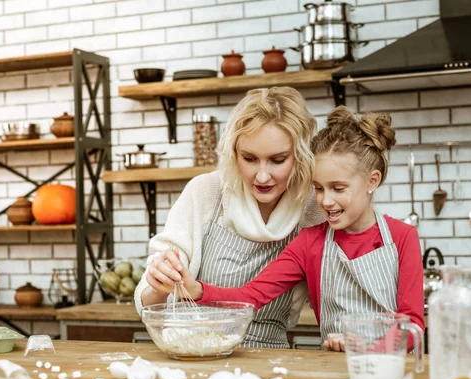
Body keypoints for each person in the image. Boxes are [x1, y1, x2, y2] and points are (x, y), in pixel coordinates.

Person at [173, 105, 425, 351]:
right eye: (318, 188)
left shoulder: (402, 237)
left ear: (372, 180)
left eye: (338, 188)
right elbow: (250, 295)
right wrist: (197, 290)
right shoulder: (310, 242)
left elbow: (413, 323)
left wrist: (370, 348)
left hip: (394, 368)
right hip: (335, 369)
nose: (326, 200)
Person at [134, 87, 326, 348]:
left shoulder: (313, 207)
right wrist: (160, 284)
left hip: (269, 357)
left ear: (300, 156)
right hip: (194, 349)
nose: (262, 176)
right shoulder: (207, 192)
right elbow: (147, 303)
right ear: (234, 153)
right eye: (249, 158)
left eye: (277, 160)